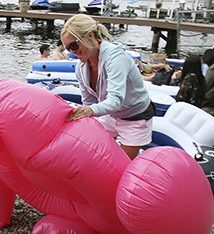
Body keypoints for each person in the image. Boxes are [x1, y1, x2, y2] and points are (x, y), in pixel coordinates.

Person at [61, 14, 154, 160]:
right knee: (91, 153)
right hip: (110, 114)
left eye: (74, 45)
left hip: (134, 117)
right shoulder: (81, 67)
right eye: (68, 49)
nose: (72, 52)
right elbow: (88, 100)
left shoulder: (116, 58)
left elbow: (116, 100)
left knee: (121, 165)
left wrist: (89, 111)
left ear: (90, 36)